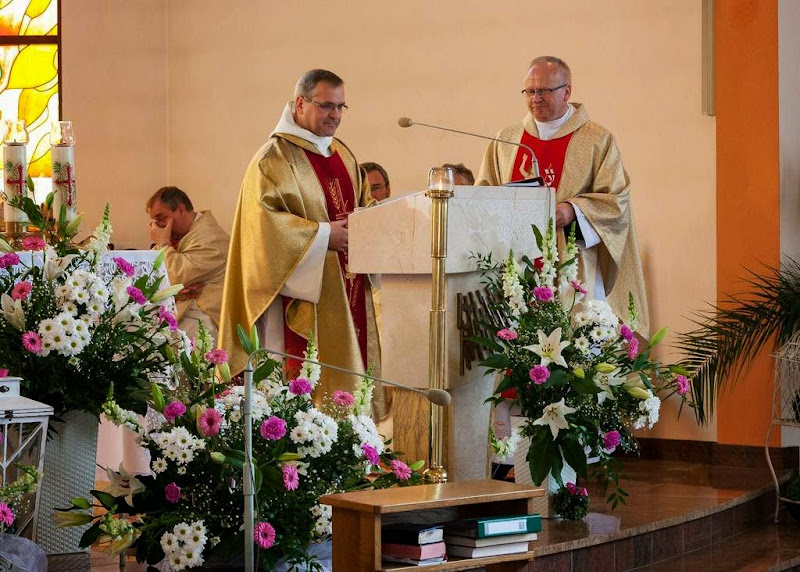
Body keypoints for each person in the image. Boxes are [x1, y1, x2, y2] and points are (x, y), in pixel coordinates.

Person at [219, 69, 380, 398]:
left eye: (341, 106)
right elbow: (261, 228)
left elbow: (366, 207)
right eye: (326, 105)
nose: (335, 115)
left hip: (349, 288)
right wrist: (323, 236)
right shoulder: (272, 159)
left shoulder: (343, 154)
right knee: (306, 386)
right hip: (302, 298)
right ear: (300, 103)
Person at [476, 56, 649, 335]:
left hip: (574, 266)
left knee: (575, 340)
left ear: (567, 91)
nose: (536, 99)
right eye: (530, 91)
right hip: (516, 266)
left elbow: (616, 201)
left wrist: (572, 210)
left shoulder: (596, 139)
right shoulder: (506, 141)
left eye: (544, 91)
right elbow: (482, 196)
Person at [146, 186, 230, 340]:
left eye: (161, 218)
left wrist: (163, 243)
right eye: (154, 221)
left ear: (181, 210)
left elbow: (175, 277)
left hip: (204, 316)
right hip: (182, 310)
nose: (158, 227)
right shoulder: (187, 235)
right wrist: (173, 293)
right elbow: (151, 277)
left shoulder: (211, 238)